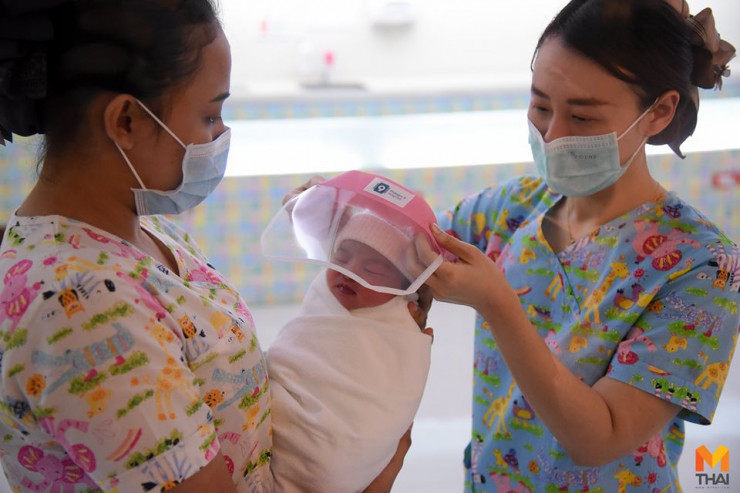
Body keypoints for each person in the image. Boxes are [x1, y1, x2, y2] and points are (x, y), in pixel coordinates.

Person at [0, 2, 409, 492]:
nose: (221, 135)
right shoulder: (81, 307)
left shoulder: (141, 230)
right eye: (211, 115)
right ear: (126, 121)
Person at [417, 0, 740, 491]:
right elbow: (411, 239)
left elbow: (600, 439)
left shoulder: (702, 266)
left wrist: (498, 303)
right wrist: (346, 205)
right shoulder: (514, 208)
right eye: (541, 107)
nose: (551, 136)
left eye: (582, 118)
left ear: (658, 112)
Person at [263, 171, 438, 492]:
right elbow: (296, 354)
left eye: (371, 270)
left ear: (402, 286)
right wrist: (309, 206)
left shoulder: (403, 319)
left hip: (345, 439)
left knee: (331, 463)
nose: (350, 272)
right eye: (341, 258)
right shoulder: (325, 291)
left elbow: (393, 393)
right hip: (288, 411)